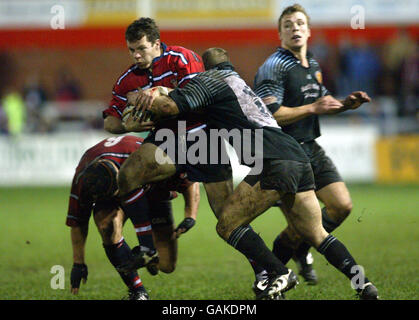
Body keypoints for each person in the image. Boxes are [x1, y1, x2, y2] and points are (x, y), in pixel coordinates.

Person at [121, 47, 378, 300]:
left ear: (205, 68)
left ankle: (279, 272)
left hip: (273, 161)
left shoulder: (210, 80)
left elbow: (170, 108)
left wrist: (136, 97)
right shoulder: (240, 84)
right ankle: (364, 286)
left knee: (227, 224)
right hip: (297, 156)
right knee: (317, 234)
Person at [103, 17, 270, 284]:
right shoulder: (128, 79)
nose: (136, 55)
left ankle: (265, 269)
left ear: (157, 44)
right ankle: (147, 247)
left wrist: (160, 93)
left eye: (141, 49)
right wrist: (125, 125)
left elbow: (195, 97)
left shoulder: (182, 58)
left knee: (227, 216)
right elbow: (109, 120)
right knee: (127, 176)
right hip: (168, 139)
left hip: (203, 137)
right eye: (131, 50)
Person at [253, 4, 371, 286]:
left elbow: (322, 104)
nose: (295, 28)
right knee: (298, 228)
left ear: (308, 30)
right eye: (288, 25)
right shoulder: (274, 66)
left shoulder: (313, 64)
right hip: (283, 154)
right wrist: (312, 108)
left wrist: (345, 105)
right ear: (280, 33)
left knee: (342, 206)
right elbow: (270, 114)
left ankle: (303, 249)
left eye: (300, 24)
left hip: (310, 147)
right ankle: (270, 278)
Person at [66, 135, 199, 300]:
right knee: (106, 225)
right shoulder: (83, 177)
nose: (121, 196)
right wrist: (78, 262)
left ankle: (149, 256)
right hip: (115, 193)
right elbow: (77, 220)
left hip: (151, 191)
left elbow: (188, 178)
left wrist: (190, 215)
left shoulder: (146, 156)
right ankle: (138, 292)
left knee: (166, 265)